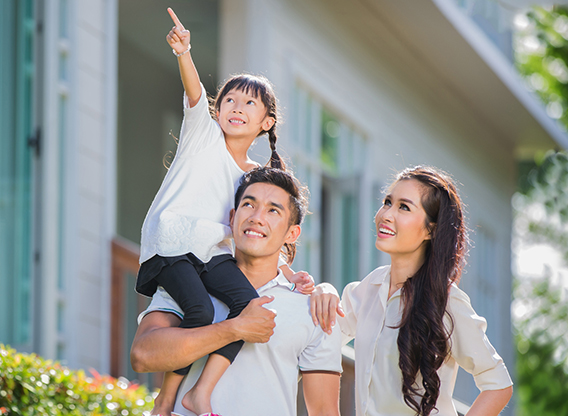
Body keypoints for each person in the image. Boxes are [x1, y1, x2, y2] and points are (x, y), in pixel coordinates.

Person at [136, 9, 313, 416]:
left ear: (266, 122)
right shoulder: (204, 136)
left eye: (249, 103)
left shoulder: (254, 177)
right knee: (198, 310)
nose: (236, 106)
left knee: (247, 306)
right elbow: (196, 92)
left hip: (208, 251)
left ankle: (201, 394)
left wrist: (290, 274)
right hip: (172, 245)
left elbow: (257, 227)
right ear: (218, 111)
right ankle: (166, 400)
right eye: (229, 99)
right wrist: (185, 52)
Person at [131, 167, 342, 416]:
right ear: (232, 218)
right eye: (249, 205)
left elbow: (324, 411)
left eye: (273, 210)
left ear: (291, 233)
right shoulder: (189, 285)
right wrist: (233, 328)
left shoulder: (313, 310)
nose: (256, 217)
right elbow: (142, 356)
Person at [311, 166, 513, 416]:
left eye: (404, 207)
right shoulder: (369, 289)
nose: (386, 214)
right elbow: (320, 336)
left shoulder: (447, 302)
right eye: (387, 202)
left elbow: (498, 385)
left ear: (431, 230)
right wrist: (323, 289)